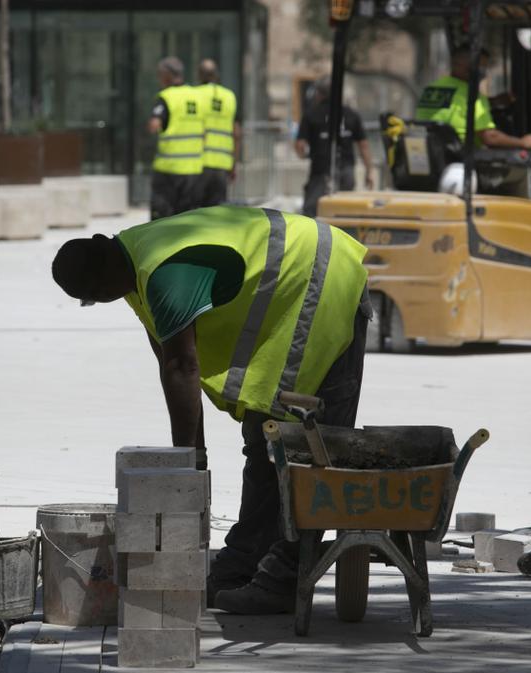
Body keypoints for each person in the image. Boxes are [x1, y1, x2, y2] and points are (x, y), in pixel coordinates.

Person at [51, 206, 371, 615]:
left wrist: (188, 461)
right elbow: (169, 360)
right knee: (266, 439)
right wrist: (194, 455)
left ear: (101, 276)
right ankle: (243, 564)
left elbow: (181, 366)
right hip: (299, 282)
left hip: (324, 280)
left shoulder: (163, 273)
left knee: (306, 449)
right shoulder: (132, 259)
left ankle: (284, 578)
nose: (100, 301)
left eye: (93, 297)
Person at [414, 44, 531, 151]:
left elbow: (453, 110)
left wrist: (494, 102)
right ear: (462, 64)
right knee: (520, 173)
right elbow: (490, 137)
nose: (482, 72)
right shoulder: (472, 95)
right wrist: (523, 142)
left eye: (484, 68)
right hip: (459, 158)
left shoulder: (432, 89)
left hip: (432, 156)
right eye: (480, 67)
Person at [296, 77, 375, 218]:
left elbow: (300, 146)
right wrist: (369, 171)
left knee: (313, 213)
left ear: (319, 93)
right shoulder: (351, 115)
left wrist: (304, 154)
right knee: (344, 212)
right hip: (346, 171)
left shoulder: (311, 114)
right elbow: (364, 146)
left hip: (321, 171)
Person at [148, 57, 204, 220]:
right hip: (193, 169)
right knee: (187, 219)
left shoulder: (166, 97)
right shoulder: (197, 96)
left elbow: (154, 125)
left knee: (162, 219)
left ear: (166, 75)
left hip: (169, 170)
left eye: (160, 74)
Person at [195, 59, 242, 207]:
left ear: (199, 75)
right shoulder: (229, 97)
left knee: (195, 213)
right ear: (216, 75)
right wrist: (234, 163)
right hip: (222, 165)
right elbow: (237, 134)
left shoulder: (194, 95)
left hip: (198, 164)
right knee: (216, 214)